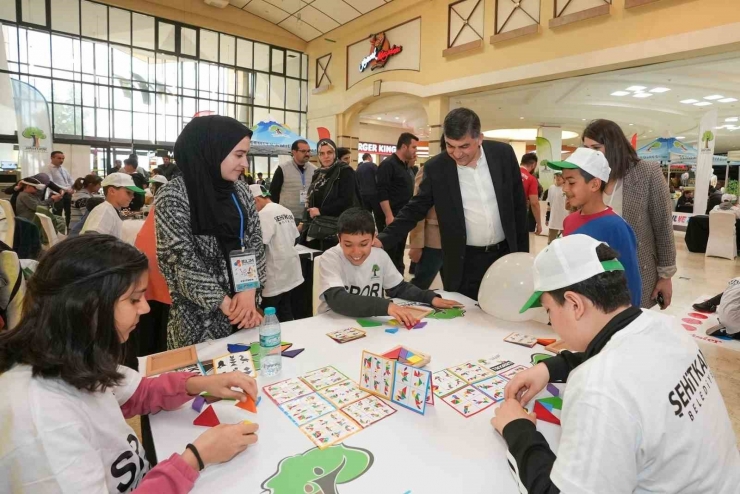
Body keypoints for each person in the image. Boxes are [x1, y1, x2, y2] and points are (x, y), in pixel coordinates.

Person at [0, 235, 261, 493]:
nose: (146, 308)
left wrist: (199, 383)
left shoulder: (74, 355)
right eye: (134, 299)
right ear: (88, 306)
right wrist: (196, 458)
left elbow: (134, 393)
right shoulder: (42, 422)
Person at [492, 234, 740, 493]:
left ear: (575, 304)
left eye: (549, 311)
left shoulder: (598, 386)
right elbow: (618, 353)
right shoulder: (663, 324)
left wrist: (517, 429)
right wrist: (547, 368)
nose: (552, 322)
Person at [376, 108, 529, 300]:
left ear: (479, 138)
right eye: (450, 146)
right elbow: (415, 208)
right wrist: (382, 239)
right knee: (466, 318)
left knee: (505, 309)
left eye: (464, 146)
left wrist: (523, 256)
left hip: (504, 255)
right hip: (464, 261)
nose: (456, 154)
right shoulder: (437, 168)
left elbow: (518, 207)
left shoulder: (503, 155)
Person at [156, 116, 266, 349]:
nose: (245, 163)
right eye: (238, 155)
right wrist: (227, 304)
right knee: (204, 383)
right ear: (211, 151)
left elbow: (253, 242)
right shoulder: (174, 196)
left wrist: (249, 290)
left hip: (245, 313)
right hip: (198, 323)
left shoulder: (240, 190)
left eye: (246, 155)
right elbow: (179, 261)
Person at [583, 119, 676, 309]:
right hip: (594, 274)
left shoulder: (647, 172)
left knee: (633, 328)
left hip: (636, 271)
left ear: (613, 145)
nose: (590, 154)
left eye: (596, 147)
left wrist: (665, 276)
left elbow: (663, 226)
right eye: (586, 148)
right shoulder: (589, 177)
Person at [317, 208, 461, 325]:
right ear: (339, 239)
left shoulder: (379, 255)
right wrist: (386, 306)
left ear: (374, 238)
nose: (356, 252)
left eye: (363, 244)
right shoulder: (330, 258)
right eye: (348, 245)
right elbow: (338, 300)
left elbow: (399, 287)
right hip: (335, 323)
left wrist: (429, 297)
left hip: (371, 323)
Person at [547, 147, 642, 307]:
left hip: (602, 314)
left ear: (594, 184)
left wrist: (628, 320)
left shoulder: (616, 227)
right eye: (564, 182)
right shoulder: (569, 221)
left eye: (571, 182)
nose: (564, 189)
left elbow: (631, 280)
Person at [128, 175, 172, 365]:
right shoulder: (176, 202)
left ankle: (146, 365)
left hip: (147, 272)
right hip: (163, 272)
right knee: (159, 328)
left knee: (148, 323)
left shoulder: (162, 203)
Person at [249, 184, 303, 322]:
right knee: (286, 310)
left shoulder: (262, 215)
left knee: (269, 316)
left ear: (256, 200)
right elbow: (296, 238)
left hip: (274, 274)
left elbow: (259, 246)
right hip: (289, 271)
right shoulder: (285, 210)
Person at [300, 138, 358, 252]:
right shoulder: (318, 174)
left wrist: (321, 211)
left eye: (329, 152)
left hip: (336, 229)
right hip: (317, 227)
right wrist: (304, 222)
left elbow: (347, 201)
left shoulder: (345, 171)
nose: (326, 156)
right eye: (322, 153)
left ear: (335, 153)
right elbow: (311, 200)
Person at [376, 133, 418, 275]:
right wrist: (389, 215)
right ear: (404, 146)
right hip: (392, 217)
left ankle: (398, 282)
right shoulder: (388, 165)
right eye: (413, 147)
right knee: (390, 253)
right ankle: (388, 285)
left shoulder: (405, 166)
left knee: (399, 253)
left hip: (402, 217)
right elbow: (382, 192)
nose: (415, 151)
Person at [408, 165, 442, 289]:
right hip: (433, 240)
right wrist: (416, 245)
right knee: (421, 284)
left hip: (458, 240)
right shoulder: (430, 168)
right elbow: (417, 209)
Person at [81, 173, 144, 239]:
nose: (133, 197)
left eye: (133, 193)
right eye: (128, 192)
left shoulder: (111, 210)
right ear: (112, 191)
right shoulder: (104, 211)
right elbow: (92, 239)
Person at [269, 139, 316, 224]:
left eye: (309, 151)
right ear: (294, 152)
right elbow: (273, 194)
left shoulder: (315, 170)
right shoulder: (283, 169)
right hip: (287, 217)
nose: (307, 154)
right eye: (303, 151)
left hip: (308, 217)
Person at [44, 150, 74, 229]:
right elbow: (51, 183)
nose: (61, 160)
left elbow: (70, 179)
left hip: (67, 194)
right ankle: (57, 231)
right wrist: (66, 189)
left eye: (63, 158)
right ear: (52, 158)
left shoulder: (63, 169)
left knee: (69, 213)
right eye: (59, 158)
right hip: (56, 194)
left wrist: (72, 188)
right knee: (57, 214)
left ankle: (68, 229)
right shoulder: (47, 168)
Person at [356, 152, 384, 232]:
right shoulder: (373, 166)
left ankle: (366, 231)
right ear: (369, 157)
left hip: (363, 196)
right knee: (378, 216)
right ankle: (381, 232)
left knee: (366, 216)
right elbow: (379, 179)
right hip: (374, 195)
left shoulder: (359, 168)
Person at [520, 152, 542, 235]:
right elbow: (534, 203)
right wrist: (539, 224)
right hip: (519, 216)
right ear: (533, 165)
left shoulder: (509, 173)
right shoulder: (531, 179)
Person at [545, 172, 567, 244]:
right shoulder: (551, 188)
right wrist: (547, 218)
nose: (558, 177)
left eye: (560, 175)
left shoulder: (566, 188)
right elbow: (549, 204)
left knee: (564, 242)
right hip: (553, 220)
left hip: (565, 219)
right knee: (551, 242)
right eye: (556, 175)